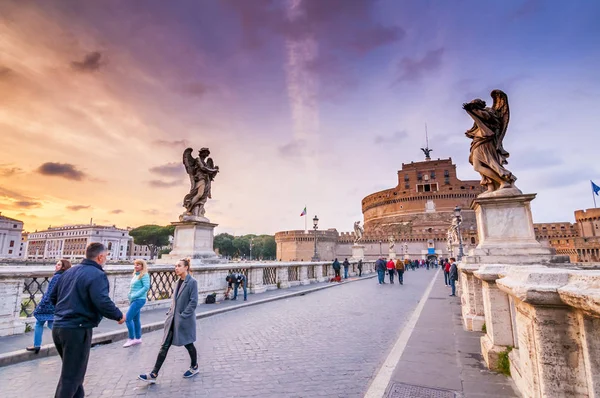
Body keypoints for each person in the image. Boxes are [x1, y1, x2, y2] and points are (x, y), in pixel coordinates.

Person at [50, 243, 125, 398]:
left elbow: (53, 297)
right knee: (71, 378)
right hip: (77, 329)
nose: (106, 259)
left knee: (74, 374)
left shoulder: (69, 272)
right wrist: (118, 315)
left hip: (58, 327)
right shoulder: (97, 275)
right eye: (106, 256)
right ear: (100, 257)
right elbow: (102, 301)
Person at [139, 258, 199, 383]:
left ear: (186, 267)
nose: (176, 268)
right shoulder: (177, 282)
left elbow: (193, 302)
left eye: (179, 266)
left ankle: (194, 366)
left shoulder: (192, 282)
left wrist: (183, 316)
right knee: (164, 345)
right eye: (175, 266)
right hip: (172, 319)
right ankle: (154, 374)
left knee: (188, 344)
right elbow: (175, 300)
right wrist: (170, 312)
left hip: (184, 320)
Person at [26, 259, 72, 353]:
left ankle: (37, 345)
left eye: (59, 265)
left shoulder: (57, 277)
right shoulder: (67, 277)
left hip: (48, 305)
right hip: (57, 304)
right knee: (51, 324)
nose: (56, 266)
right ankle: (67, 342)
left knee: (40, 323)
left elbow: (50, 293)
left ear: (63, 267)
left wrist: (42, 304)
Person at [123, 259, 151, 348]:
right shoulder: (135, 275)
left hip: (139, 299)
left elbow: (146, 287)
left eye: (138, 265)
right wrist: (129, 295)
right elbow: (132, 287)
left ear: (143, 266)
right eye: (135, 264)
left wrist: (135, 295)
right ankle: (138, 338)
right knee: (135, 319)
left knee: (127, 318)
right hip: (134, 299)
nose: (136, 266)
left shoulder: (144, 275)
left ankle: (131, 339)